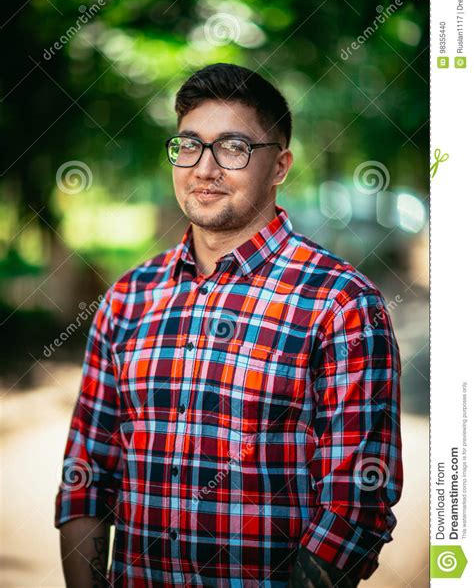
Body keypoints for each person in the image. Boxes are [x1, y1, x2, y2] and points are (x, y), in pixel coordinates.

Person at [54, 62, 403, 587]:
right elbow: (87, 475)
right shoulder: (128, 300)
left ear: (280, 165)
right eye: (189, 145)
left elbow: (356, 507)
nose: (204, 169)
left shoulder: (342, 303)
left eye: (234, 148)